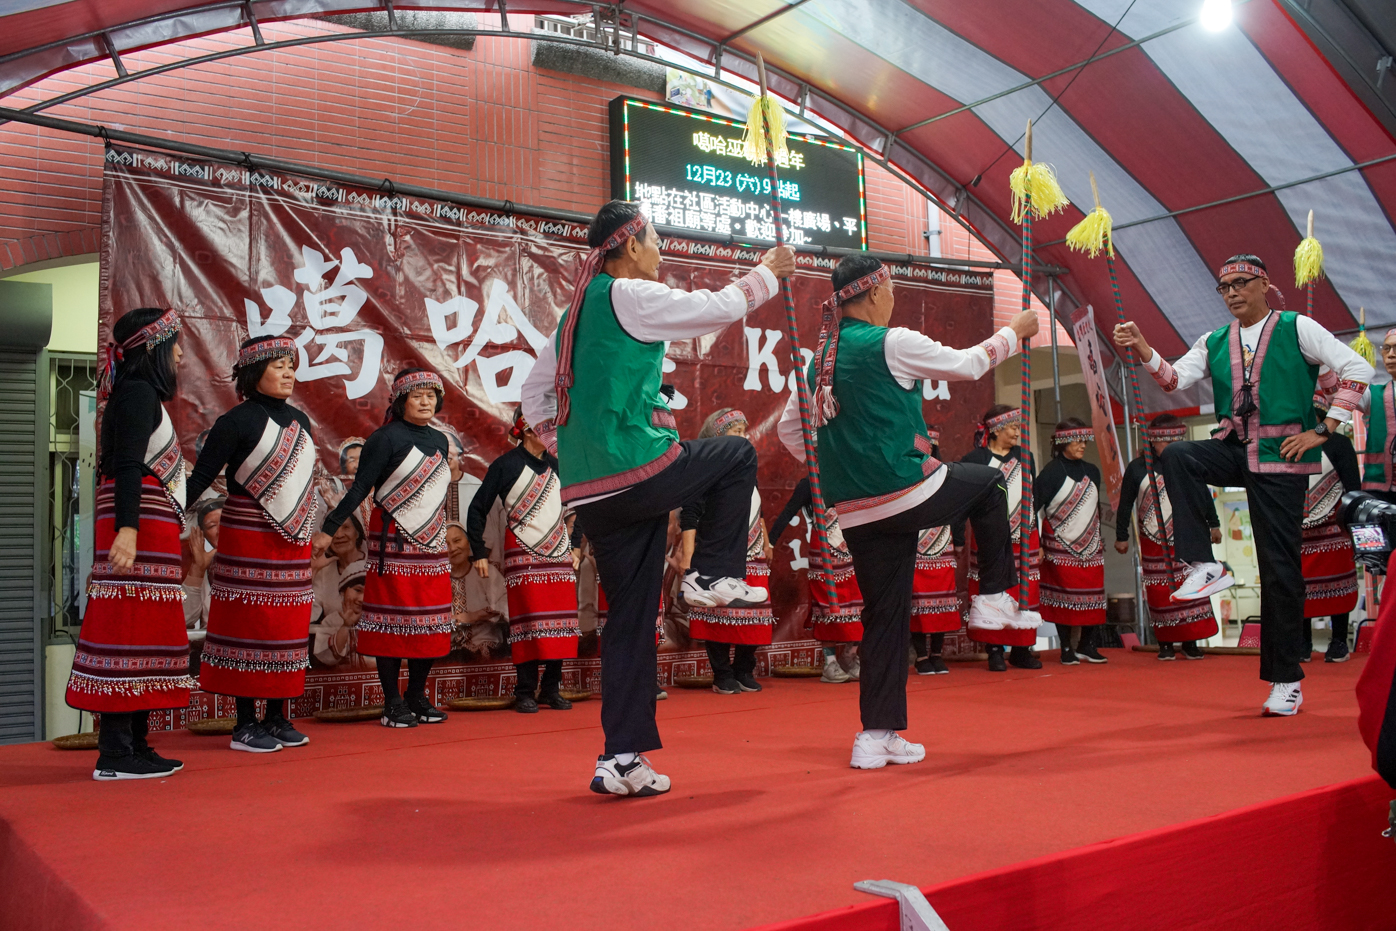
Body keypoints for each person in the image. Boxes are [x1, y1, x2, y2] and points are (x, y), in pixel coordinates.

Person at [521, 200, 794, 797]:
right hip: (635, 469)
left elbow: (534, 392)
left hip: (594, 494)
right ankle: (713, 576)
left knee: (631, 622)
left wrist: (567, 450)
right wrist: (769, 271)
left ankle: (620, 759)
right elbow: (711, 311)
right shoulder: (626, 294)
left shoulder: (574, 313)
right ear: (633, 243)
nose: (660, 249)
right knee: (736, 454)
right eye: (656, 238)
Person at [777, 254, 1040, 769]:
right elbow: (967, 365)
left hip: (853, 509)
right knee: (987, 484)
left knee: (886, 616)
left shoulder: (816, 359)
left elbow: (792, 431)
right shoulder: (891, 342)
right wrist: (1015, 330)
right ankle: (991, 599)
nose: (893, 296)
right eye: (891, 287)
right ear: (874, 293)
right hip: (902, 489)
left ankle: (875, 736)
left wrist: (837, 469)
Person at [1114, 253, 1372, 715]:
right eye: (1224, 287)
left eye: (1239, 283)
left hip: (1281, 459)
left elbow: (1360, 371)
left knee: (1279, 570)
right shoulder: (1213, 339)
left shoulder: (1298, 327)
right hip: (1235, 449)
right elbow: (1174, 380)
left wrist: (1323, 430)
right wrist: (1143, 346)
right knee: (1179, 454)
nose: (1231, 292)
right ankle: (1204, 564)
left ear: (1264, 283)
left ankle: (1285, 681)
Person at [68, 307, 195, 780]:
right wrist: (128, 528)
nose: (180, 353)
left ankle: (137, 745)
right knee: (127, 631)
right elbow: (126, 466)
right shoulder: (138, 393)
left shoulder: (137, 395)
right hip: (136, 525)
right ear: (155, 349)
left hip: (146, 527)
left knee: (144, 633)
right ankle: (117, 752)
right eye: (175, 343)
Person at [184, 334, 320, 752]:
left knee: (288, 626)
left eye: (291, 366)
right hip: (247, 534)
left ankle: (278, 717)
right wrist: (154, 516)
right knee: (248, 625)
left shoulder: (301, 422)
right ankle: (245, 724)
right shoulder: (235, 422)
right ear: (252, 372)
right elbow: (201, 479)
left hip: (293, 542)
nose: (288, 374)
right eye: (278, 366)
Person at [314, 369, 454, 728]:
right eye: (417, 396)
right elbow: (360, 488)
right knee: (392, 626)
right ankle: (392, 702)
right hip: (393, 544)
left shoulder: (440, 441)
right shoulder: (384, 439)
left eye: (430, 396)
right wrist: (329, 529)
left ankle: (417, 696)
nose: (425, 402)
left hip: (432, 545)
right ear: (401, 400)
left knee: (430, 623)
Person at [468, 409, 581, 714]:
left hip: (558, 553)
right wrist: (477, 550)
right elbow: (477, 509)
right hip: (523, 552)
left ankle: (551, 689)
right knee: (528, 622)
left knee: (559, 624)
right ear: (529, 431)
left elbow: (578, 505)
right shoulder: (506, 465)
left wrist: (576, 545)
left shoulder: (560, 465)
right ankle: (525, 691)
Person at [679, 409, 776, 694]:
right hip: (718, 552)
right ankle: (722, 673)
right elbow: (690, 515)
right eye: (736, 432)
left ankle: (744, 669)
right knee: (718, 615)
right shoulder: (705, 472)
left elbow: (757, 509)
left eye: (744, 432)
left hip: (752, 550)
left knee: (754, 613)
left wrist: (766, 542)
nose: (743, 438)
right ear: (719, 437)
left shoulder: (745, 466)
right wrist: (687, 559)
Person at [1115, 415, 1221, 660]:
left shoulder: (1188, 461)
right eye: (1166, 441)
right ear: (1153, 442)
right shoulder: (1137, 468)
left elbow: (1203, 495)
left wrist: (1214, 524)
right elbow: (1125, 504)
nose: (1171, 445)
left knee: (1191, 587)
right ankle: (1165, 643)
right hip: (1153, 540)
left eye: (1176, 440)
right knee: (1160, 592)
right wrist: (1122, 536)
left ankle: (1191, 642)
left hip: (1189, 534)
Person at [958, 406, 1043, 672]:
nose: (1017, 432)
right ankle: (994, 649)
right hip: (989, 537)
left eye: (1018, 427)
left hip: (1025, 537)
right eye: (1013, 427)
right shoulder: (975, 459)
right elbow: (961, 500)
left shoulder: (1025, 457)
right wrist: (958, 535)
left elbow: (1032, 500)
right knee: (992, 594)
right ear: (996, 430)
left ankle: (1022, 649)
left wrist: (1036, 536)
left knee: (1023, 593)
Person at [769, 476, 861, 684]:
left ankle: (849, 655)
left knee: (859, 603)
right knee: (826, 606)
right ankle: (829, 663)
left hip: (853, 547)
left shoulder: (853, 475)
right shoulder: (810, 483)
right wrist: (770, 543)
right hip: (824, 550)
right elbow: (788, 511)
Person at [1035, 418, 1108, 665]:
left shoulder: (1092, 471)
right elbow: (1033, 508)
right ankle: (1066, 647)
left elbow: (1095, 508)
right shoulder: (1051, 473)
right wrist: (1037, 543)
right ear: (1064, 441)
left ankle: (1088, 645)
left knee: (1094, 597)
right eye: (1077, 440)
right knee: (1063, 599)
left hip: (1091, 545)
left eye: (1084, 441)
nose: (1082, 445)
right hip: (1059, 545)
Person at [1299, 401, 1360, 663]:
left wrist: (1354, 525)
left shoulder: (1339, 444)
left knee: (1340, 586)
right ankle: (1303, 644)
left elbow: (1353, 488)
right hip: (1298, 529)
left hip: (1335, 526)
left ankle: (1338, 643)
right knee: (1299, 589)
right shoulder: (1291, 441)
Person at [909, 427, 960, 676]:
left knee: (943, 601)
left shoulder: (945, 472)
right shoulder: (903, 473)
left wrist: (958, 538)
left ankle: (937, 654)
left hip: (941, 540)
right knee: (916, 602)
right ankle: (920, 656)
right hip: (912, 541)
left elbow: (958, 505)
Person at [445, 522, 509, 661]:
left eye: (457, 541)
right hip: (448, 649)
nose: (453, 548)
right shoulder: (437, 581)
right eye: (446, 544)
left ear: (468, 543)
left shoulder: (486, 572)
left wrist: (474, 616)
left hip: (485, 645)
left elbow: (507, 604)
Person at [1358, 329, 1396, 506]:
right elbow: (1339, 396)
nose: (1391, 355)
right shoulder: (1374, 395)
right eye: (1386, 348)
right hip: (1381, 491)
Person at [312, 559, 368, 668]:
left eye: (369, 592)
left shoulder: (381, 622)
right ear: (343, 593)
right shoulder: (332, 620)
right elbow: (327, 658)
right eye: (357, 590)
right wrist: (346, 626)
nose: (362, 598)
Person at [182, 495, 224, 631]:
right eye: (212, 526)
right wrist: (198, 570)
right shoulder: (204, 565)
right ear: (203, 535)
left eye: (225, 522)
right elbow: (184, 619)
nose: (220, 531)